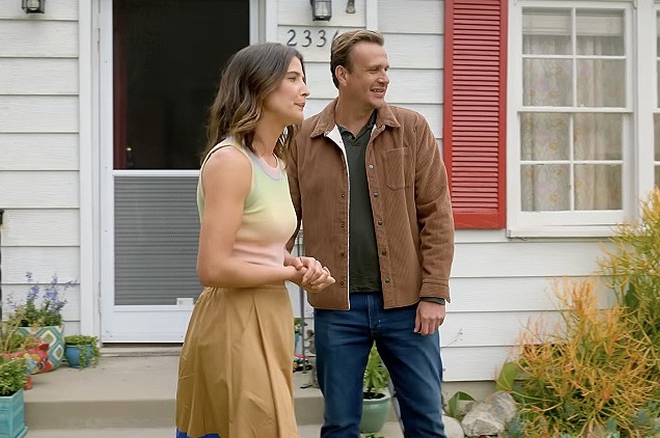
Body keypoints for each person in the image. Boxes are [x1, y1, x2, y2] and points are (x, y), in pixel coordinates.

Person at [286, 29, 455, 437]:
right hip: (337, 309)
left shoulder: (412, 130)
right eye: (373, 69)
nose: (384, 78)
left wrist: (434, 293)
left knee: (426, 423)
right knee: (340, 425)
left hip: (409, 307)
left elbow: (437, 215)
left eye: (386, 69)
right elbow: (285, 222)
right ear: (342, 75)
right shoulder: (303, 140)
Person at [175, 42, 335, 438]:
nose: (306, 90)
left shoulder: (276, 163)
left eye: (304, 79)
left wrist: (298, 263)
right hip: (234, 320)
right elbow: (212, 268)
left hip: (271, 313)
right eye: (293, 79)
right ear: (259, 87)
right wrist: (288, 274)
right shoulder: (230, 162)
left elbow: (262, 247)